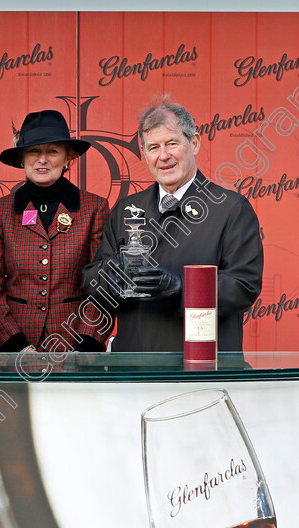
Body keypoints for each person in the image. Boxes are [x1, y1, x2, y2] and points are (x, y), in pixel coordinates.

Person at [81, 96, 263, 352]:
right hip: (134, 368)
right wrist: (108, 277)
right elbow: (91, 278)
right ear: (144, 154)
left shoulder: (231, 209)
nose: (163, 156)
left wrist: (180, 288)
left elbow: (244, 286)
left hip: (201, 367)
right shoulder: (125, 209)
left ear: (194, 143)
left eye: (172, 143)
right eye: (153, 147)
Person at [0, 110, 112, 353]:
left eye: (52, 151)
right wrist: (16, 346)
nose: (42, 159)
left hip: (75, 347)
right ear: (22, 157)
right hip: (15, 349)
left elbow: (103, 286)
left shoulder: (95, 208)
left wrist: (84, 348)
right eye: (34, 151)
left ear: (68, 157)